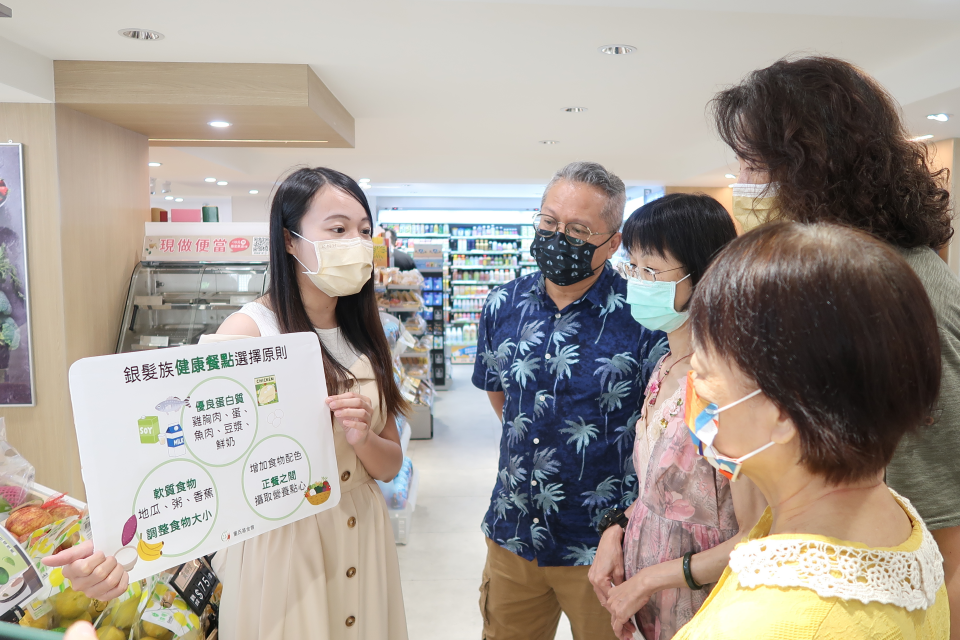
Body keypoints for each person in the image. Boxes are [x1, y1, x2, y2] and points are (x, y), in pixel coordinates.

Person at [47, 167, 410, 640]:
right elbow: (184, 453)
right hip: (283, 550)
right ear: (289, 240)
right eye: (338, 229)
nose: (357, 243)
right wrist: (113, 544)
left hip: (365, 537)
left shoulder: (366, 333)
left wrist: (361, 440)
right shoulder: (248, 333)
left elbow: (388, 465)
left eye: (364, 230)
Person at [713, 55, 960, 638]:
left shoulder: (891, 286)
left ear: (811, 167)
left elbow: (944, 511)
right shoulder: (838, 278)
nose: (741, 182)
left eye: (753, 163)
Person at [673, 221, 948, 640]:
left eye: (703, 373)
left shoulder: (760, 625)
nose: (693, 392)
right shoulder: (897, 528)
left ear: (783, 413)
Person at [473, 161, 667, 640]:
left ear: (613, 241)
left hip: (605, 548)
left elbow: (660, 430)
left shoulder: (642, 317)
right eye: (549, 222)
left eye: (579, 229)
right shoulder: (502, 304)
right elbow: (504, 399)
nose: (559, 237)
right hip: (513, 531)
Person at [590, 194, 766, 640]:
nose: (637, 282)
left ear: (703, 273)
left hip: (703, 607)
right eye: (633, 268)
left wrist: (653, 578)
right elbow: (656, 489)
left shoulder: (718, 387)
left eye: (651, 271)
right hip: (646, 601)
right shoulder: (664, 367)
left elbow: (754, 534)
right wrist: (618, 531)